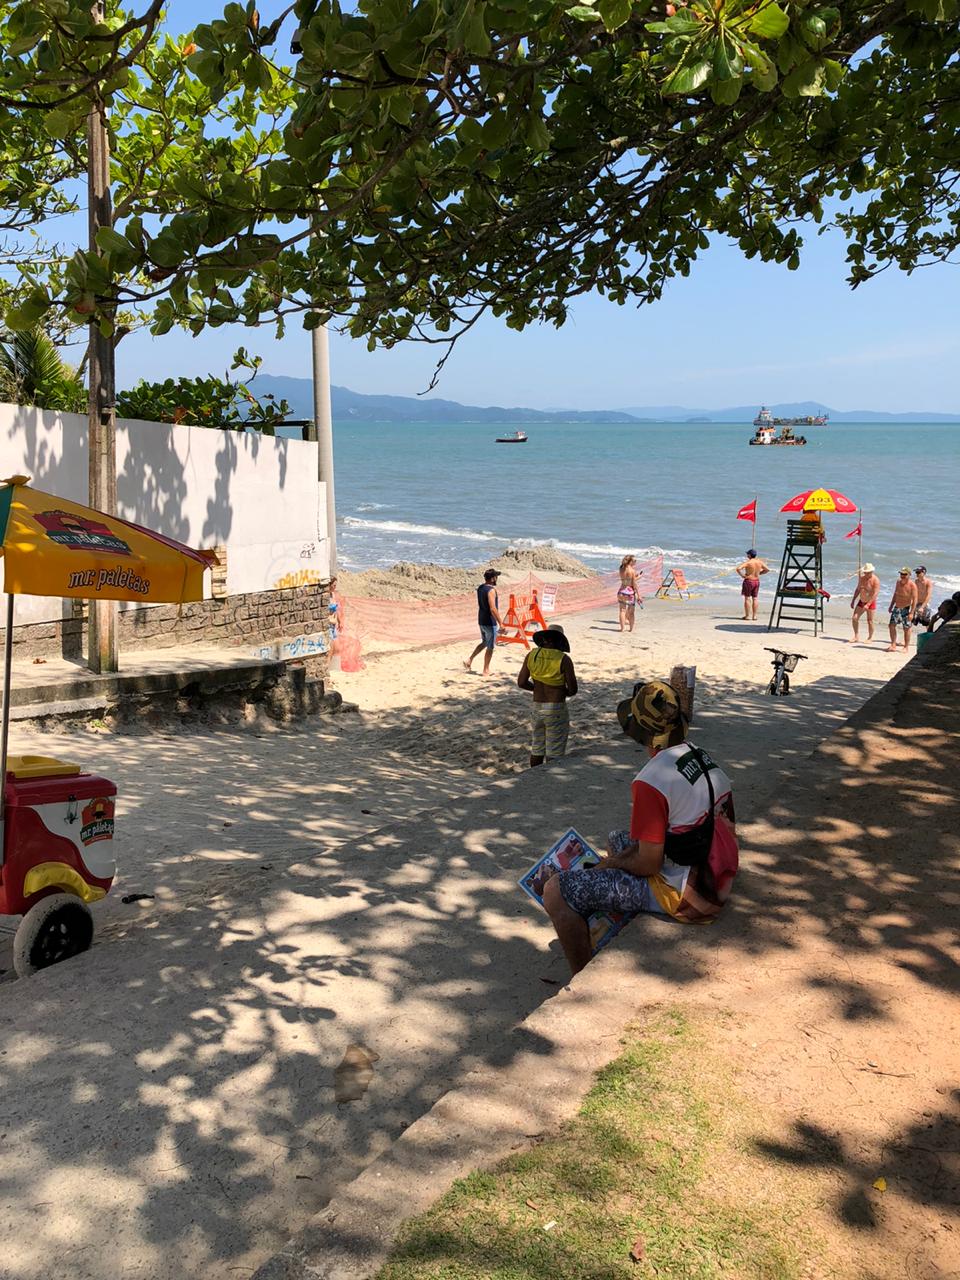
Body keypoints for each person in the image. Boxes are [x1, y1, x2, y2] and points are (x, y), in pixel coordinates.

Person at [543, 679, 738, 977]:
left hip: (694, 898)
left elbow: (649, 863)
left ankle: (583, 978)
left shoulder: (651, 780)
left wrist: (610, 864)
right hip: (715, 875)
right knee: (618, 838)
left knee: (555, 891)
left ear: (642, 734)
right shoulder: (699, 755)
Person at [517, 624, 578, 767]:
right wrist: (561, 691)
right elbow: (573, 689)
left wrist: (537, 688)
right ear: (559, 641)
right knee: (554, 751)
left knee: (537, 748)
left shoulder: (532, 655)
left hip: (537, 707)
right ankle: (549, 779)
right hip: (556, 708)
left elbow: (521, 682)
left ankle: (534, 778)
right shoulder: (563, 659)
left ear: (544, 640)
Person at [464, 568, 504, 676]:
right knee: (490, 646)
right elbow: (493, 608)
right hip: (489, 622)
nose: (497, 578)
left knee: (485, 642)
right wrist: (501, 623)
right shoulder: (491, 590)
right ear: (492, 579)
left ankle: (469, 659)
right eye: (496, 577)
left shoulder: (481, 588)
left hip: (481, 619)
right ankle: (486, 670)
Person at [887, 567, 918, 652]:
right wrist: (891, 605)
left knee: (906, 628)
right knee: (891, 625)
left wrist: (912, 613)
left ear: (909, 575)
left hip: (906, 608)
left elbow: (915, 600)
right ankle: (893, 644)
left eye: (905, 574)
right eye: (901, 574)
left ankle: (906, 647)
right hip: (897, 607)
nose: (902, 576)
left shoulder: (912, 585)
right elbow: (895, 594)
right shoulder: (898, 582)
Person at [735, 549, 769, 620]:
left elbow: (738, 568)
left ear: (749, 555)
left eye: (747, 554)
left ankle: (747, 616)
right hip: (756, 581)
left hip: (749, 581)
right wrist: (759, 573)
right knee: (755, 598)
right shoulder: (759, 562)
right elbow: (767, 570)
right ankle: (754, 616)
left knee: (747, 598)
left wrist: (742, 575)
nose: (747, 555)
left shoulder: (748, 562)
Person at [850, 563, 880, 642]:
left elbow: (875, 594)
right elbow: (858, 589)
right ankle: (856, 636)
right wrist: (853, 600)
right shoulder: (862, 578)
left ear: (871, 572)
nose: (866, 574)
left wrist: (868, 604)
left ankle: (870, 638)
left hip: (871, 602)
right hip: (862, 600)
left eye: (868, 572)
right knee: (855, 618)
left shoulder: (875, 580)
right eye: (865, 572)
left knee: (870, 621)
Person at [617, 555, 640, 632]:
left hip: (621, 591)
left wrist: (635, 578)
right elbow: (633, 584)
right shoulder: (632, 571)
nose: (635, 562)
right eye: (634, 561)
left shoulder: (621, 569)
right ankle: (631, 629)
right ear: (630, 561)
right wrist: (638, 595)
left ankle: (622, 629)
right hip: (629, 593)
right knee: (631, 613)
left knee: (622, 611)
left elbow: (625, 580)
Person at [912, 566, 934, 633]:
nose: (917, 574)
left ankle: (930, 637)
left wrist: (922, 607)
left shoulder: (928, 582)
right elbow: (914, 594)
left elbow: (928, 595)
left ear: (923, 572)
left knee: (926, 622)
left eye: (918, 572)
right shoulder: (916, 581)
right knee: (911, 620)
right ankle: (905, 640)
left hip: (925, 604)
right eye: (916, 572)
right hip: (916, 603)